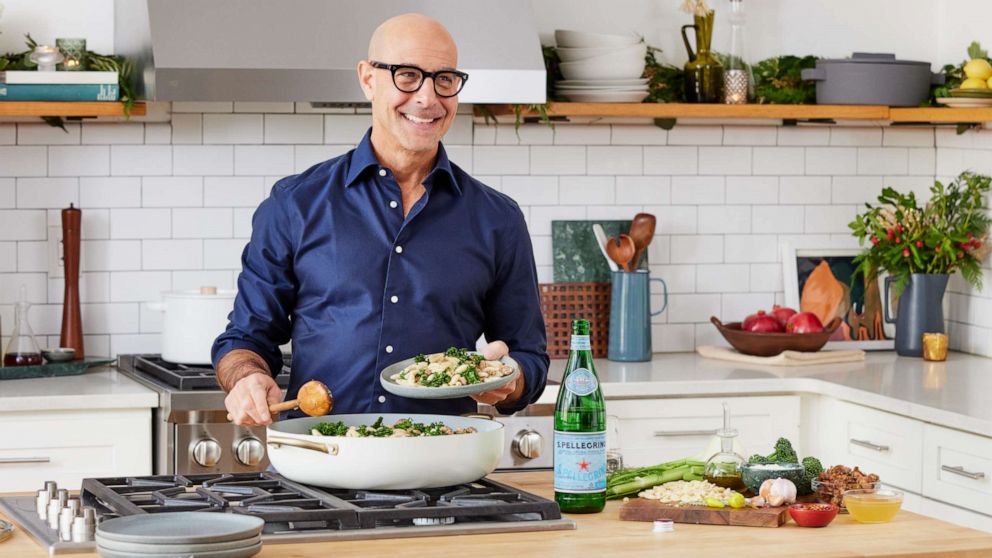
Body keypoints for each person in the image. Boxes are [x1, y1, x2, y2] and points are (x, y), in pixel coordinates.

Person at [212, 13, 548, 426]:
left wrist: (509, 380)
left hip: (442, 463)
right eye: (407, 75)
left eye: (444, 79)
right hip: (321, 459)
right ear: (368, 79)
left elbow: (529, 356)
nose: (427, 97)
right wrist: (246, 378)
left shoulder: (498, 219)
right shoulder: (295, 203)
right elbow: (245, 339)